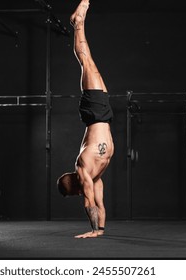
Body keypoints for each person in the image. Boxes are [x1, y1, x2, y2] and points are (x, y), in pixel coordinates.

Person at [57, 0, 114, 239]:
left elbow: (91, 202)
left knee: (85, 60)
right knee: (87, 61)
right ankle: (78, 23)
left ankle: (78, 23)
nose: (79, 194)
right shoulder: (93, 175)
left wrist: (93, 230)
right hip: (100, 113)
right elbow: (96, 203)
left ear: (73, 184)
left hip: (96, 114)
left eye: (74, 193)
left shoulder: (85, 170)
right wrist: (97, 230)